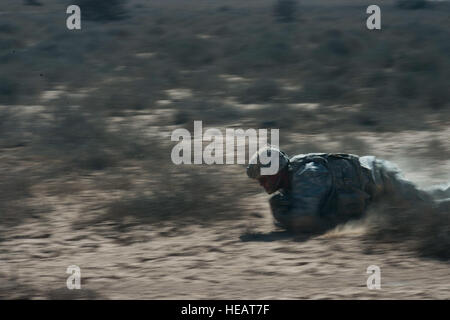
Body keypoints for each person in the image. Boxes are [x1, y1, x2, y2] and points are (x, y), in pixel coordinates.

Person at [246, 146, 450, 233]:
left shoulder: (307, 175)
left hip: (380, 179)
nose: (261, 183)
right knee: (425, 199)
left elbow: (305, 219)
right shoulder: (289, 185)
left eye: (264, 178)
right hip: (372, 194)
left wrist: (284, 216)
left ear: (277, 171)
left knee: (428, 210)